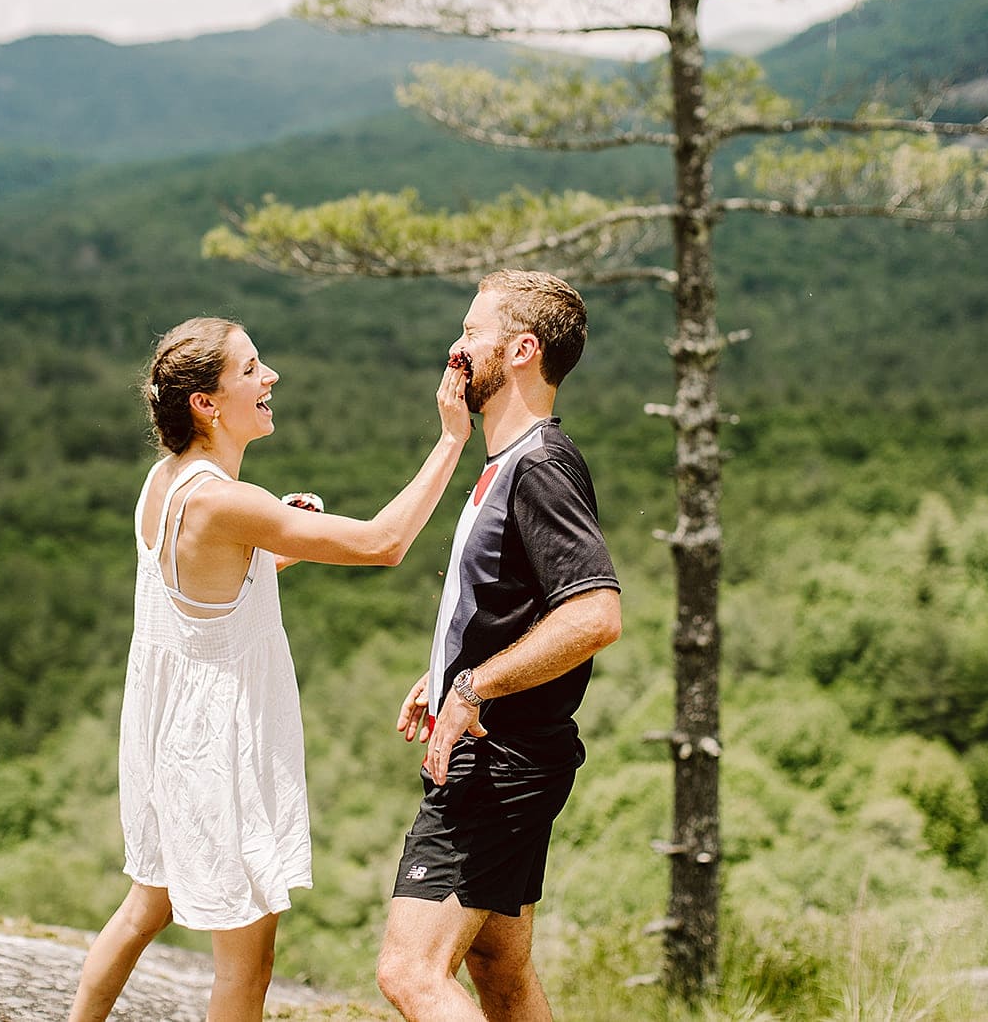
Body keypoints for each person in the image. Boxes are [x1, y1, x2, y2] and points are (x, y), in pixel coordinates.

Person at [68, 316, 471, 1022]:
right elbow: (383, 543)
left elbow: (207, 583)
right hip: (219, 745)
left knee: (145, 904)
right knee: (247, 965)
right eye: (252, 368)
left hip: (166, 730)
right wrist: (451, 440)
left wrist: (271, 537)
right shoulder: (226, 499)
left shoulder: (167, 483)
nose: (270, 376)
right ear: (207, 403)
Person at [376, 271, 623, 1021]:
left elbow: (595, 614)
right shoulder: (505, 460)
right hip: (517, 752)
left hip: (495, 760)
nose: (457, 346)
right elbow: (512, 601)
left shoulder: (540, 463)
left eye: (471, 331)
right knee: (500, 966)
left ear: (520, 349)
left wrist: (474, 687)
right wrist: (444, 673)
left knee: (412, 972)